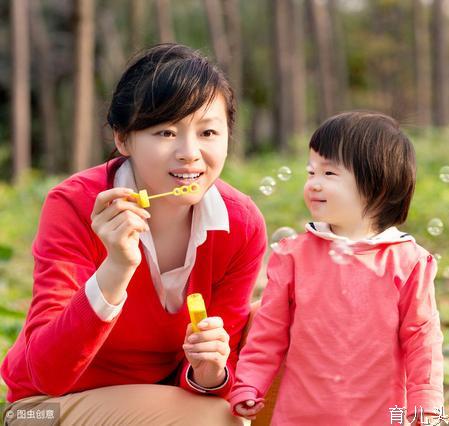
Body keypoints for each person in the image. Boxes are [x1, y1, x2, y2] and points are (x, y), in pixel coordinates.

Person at [1, 43, 266, 425]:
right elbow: (48, 373)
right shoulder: (75, 205)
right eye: (166, 132)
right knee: (215, 422)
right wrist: (117, 267)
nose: (189, 153)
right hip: (42, 409)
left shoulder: (240, 225)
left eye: (208, 131)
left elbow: (211, 387)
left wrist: (211, 372)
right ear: (123, 139)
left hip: (167, 403)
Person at [228, 112, 444, 425]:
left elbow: (422, 340)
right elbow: (267, 331)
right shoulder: (294, 255)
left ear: (377, 186)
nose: (313, 184)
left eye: (329, 173)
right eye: (310, 172)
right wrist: (248, 382)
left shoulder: (408, 262)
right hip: (299, 415)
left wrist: (425, 400)